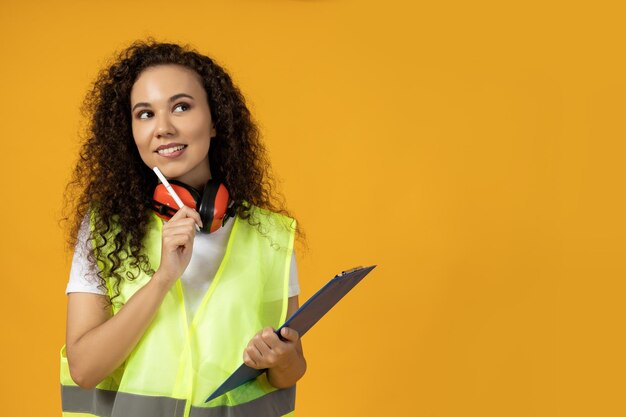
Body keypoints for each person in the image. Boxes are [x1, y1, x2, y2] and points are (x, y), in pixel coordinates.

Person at [61, 40, 306, 417]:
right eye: (144, 114)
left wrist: (281, 358)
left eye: (181, 106)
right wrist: (162, 279)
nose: (163, 128)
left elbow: (290, 371)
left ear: (214, 122)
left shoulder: (270, 235)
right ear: (130, 132)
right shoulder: (104, 230)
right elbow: (84, 370)